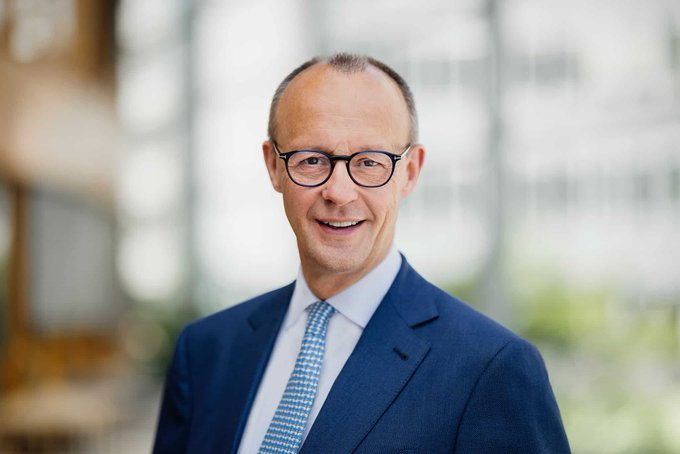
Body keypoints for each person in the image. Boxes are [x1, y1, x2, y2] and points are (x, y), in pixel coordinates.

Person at [153, 53, 570, 454]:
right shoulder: (205, 351)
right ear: (274, 166)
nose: (338, 192)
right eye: (312, 160)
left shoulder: (491, 368)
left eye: (370, 162)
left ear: (410, 172)